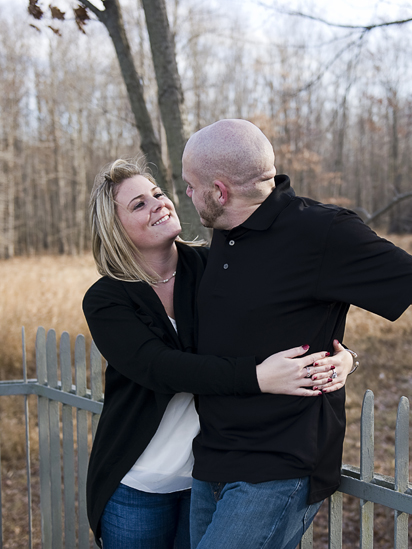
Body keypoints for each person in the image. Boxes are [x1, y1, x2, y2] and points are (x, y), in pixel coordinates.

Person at [181, 119, 412, 549]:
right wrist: (348, 355)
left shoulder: (322, 232)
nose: (187, 194)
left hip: (277, 466)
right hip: (211, 459)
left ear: (220, 190)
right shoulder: (226, 232)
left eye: (191, 186)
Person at [82, 159, 355, 548]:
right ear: (114, 227)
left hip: (209, 477)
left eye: (158, 194)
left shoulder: (214, 266)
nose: (159, 203)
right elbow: (159, 367)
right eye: (139, 204)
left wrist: (344, 359)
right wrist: (257, 376)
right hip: (138, 485)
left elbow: (280, 324)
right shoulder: (107, 298)